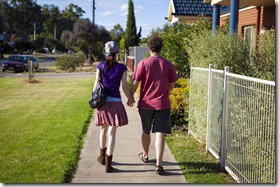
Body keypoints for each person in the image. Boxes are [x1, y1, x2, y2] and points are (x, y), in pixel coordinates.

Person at [130, 35, 178, 175]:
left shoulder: (143, 64)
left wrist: (131, 97)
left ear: (149, 47)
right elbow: (172, 84)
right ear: (161, 47)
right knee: (160, 132)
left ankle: (145, 155)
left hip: (145, 104)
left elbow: (135, 82)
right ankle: (159, 164)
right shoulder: (168, 64)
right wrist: (165, 93)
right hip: (162, 103)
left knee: (146, 130)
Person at [93, 41, 135, 173]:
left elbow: (96, 85)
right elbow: (124, 86)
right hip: (116, 102)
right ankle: (108, 164)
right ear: (117, 53)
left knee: (103, 130)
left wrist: (94, 100)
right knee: (112, 133)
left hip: (102, 102)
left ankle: (101, 156)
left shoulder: (100, 66)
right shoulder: (122, 68)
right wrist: (130, 98)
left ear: (106, 52)